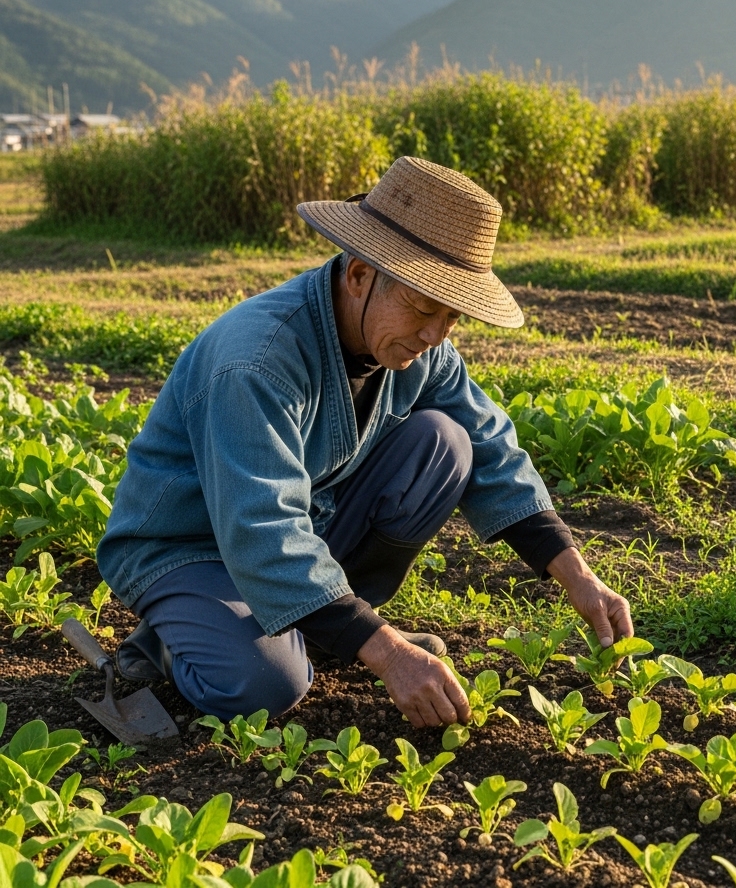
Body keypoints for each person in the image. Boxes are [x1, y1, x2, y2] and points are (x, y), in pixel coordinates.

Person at [96, 156, 633, 727]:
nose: (433, 336)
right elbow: (260, 527)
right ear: (357, 275)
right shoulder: (256, 361)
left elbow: (491, 446)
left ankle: (322, 628)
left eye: (452, 318)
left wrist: (579, 575)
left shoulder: (419, 348)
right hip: (191, 547)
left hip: (306, 522)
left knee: (445, 442)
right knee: (266, 686)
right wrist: (390, 653)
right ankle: (169, 641)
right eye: (424, 307)